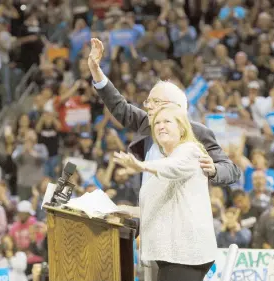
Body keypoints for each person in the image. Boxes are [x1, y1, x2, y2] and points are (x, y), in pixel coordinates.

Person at [88, 38, 241, 187]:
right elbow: (119, 106)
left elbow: (232, 170)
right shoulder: (147, 124)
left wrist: (214, 170)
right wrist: (96, 71)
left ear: (174, 106)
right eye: (148, 102)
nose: (148, 106)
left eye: (155, 102)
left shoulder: (198, 132)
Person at [114, 105, 217, 281]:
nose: (160, 126)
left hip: (184, 254)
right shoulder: (165, 160)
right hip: (174, 256)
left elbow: (174, 167)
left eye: (167, 122)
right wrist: (126, 210)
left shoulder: (190, 151)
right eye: (157, 123)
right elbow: (159, 206)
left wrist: (141, 166)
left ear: (182, 128)